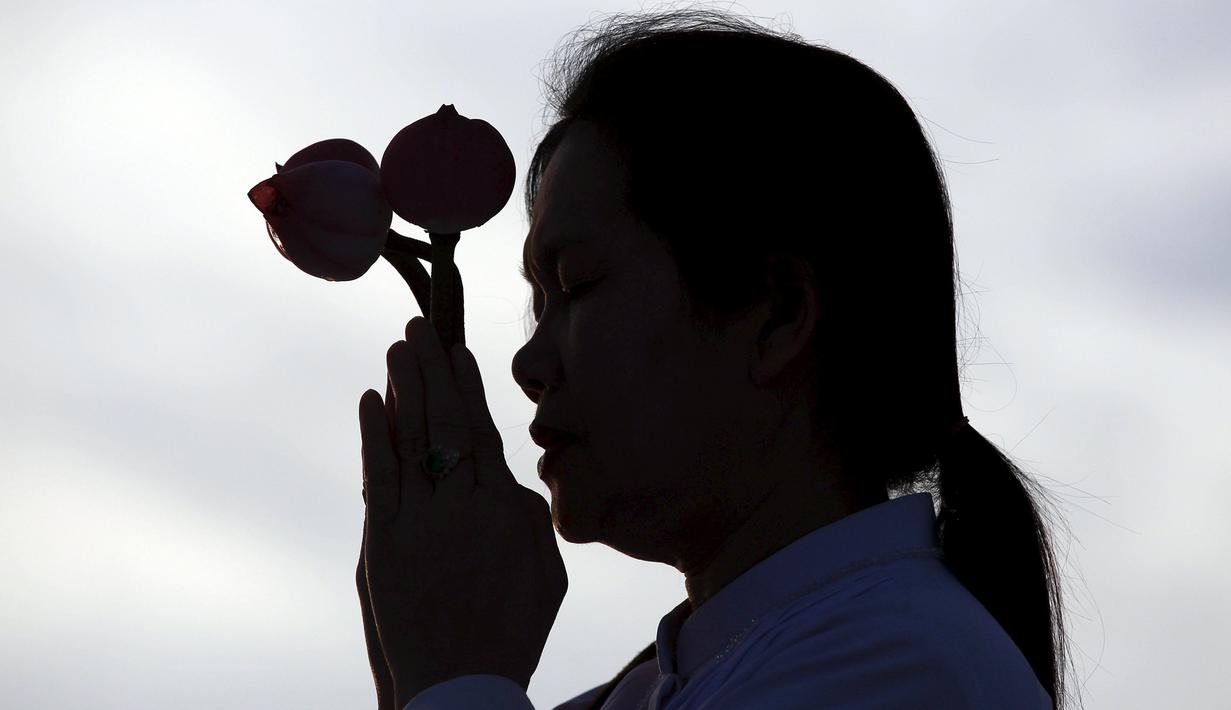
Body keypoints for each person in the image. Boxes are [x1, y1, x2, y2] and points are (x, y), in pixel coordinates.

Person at [356, 7, 1077, 710]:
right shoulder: (702, 672)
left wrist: (455, 669)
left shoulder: (899, 668)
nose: (528, 361)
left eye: (577, 285)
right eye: (539, 302)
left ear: (777, 316)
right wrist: (419, 669)